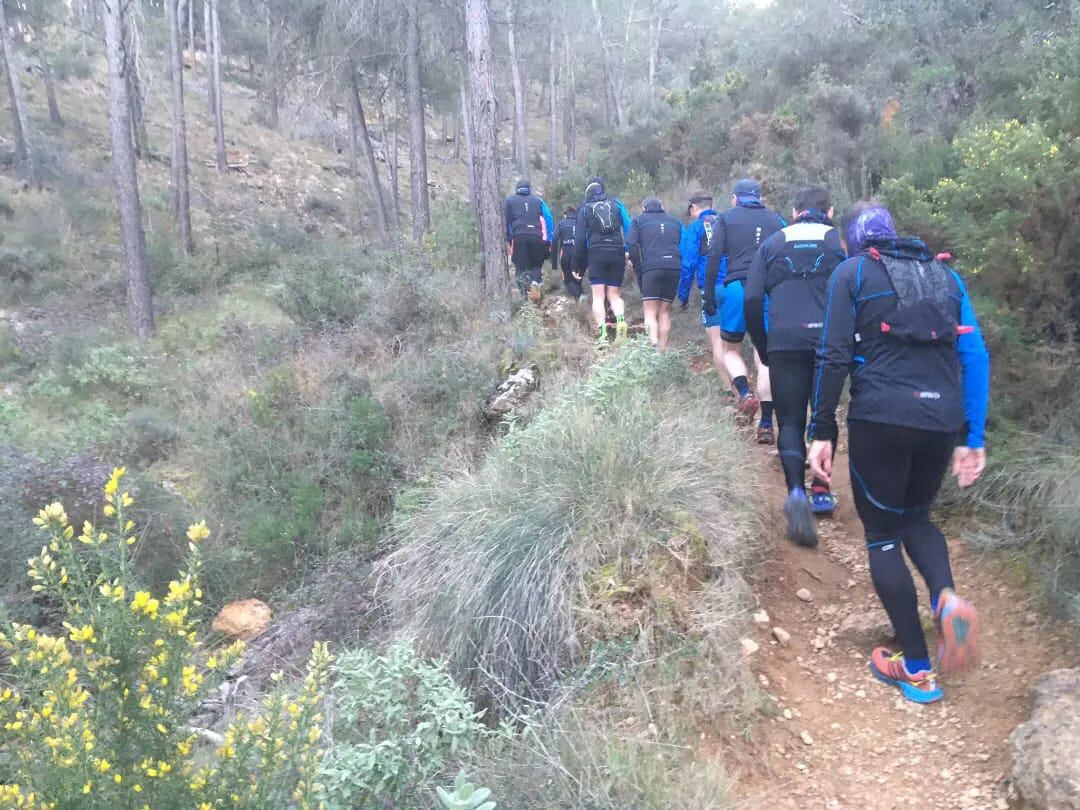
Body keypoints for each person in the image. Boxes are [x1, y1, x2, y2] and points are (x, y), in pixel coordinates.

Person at [806, 201, 990, 704]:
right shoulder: (947, 279)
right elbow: (974, 354)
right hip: (940, 418)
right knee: (918, 518)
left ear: (855, 242)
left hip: (881, 417)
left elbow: (834, 353)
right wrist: (972, 437)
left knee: (882, 534)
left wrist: (821, 430)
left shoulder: (853, 273)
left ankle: (916, 668)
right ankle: (945, 598)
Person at [745, 186, 846, 546]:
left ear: (793, 210)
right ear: (830, 211)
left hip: (784, 341)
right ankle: (821, 488)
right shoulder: (838, 242)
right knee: (825, 414)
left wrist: (762, 342)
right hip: (828, 343)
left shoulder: (774, 243)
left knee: (789, 420)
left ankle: (795, 492)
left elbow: (753, 298)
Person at [703, 179, 786, 442]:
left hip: (737, 287)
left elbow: (714, 256)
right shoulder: (777, 220)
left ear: (736, 198)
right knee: (764, 357)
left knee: (731, 349)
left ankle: (744, 391)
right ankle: (765, 424)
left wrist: (708, 295)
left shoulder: (726, 218)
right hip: (769, 290)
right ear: (759, 197)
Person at [573, 177, 632, 342]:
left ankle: (603, 333)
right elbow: (629, 229)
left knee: (598, 296)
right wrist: (629, 252)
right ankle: (620, 322)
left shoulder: (584, 209)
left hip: (596, 253)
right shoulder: (617, 205)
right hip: (617, 252)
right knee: (614, 294)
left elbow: (579, 240)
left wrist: (578, 264)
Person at [627, 197, 683, 349]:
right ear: (662, 207)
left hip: (652, 267)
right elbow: (683, 244)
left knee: (650, 312)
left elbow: (631, 245)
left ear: (643, 208)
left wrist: (639, 269)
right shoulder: (676, 222)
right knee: (665, 311)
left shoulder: (638, 221)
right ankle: (662, 350)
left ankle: (653, 344)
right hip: (674, 266)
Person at [504, 178, 554, 303]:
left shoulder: (509, 201)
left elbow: (507, 222)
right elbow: (548, 218)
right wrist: (549, 239)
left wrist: (510, 241)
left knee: (520, 267)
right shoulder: (538, 201)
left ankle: (524, 297)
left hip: (519, 235)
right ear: (529, 189)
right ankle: (535, 283)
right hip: (536, 236)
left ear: (517, 189)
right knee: (536, 265)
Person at [677, 191, 718, 315]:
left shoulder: (695, 227)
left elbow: (689, 264)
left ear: (693, 207)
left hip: (708, 284)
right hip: (734, 285)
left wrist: (683, 296)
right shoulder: (725, 222)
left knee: (714, 331)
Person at [552, 205, 582, 300]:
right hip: (579, 254)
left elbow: (554, 240)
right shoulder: (580, 223)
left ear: (565, 215)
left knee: (568, 280)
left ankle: (579, 297)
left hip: (566, 253)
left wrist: (554, 263)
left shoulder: (561, 223)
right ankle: (581, 301)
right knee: (578, 278)